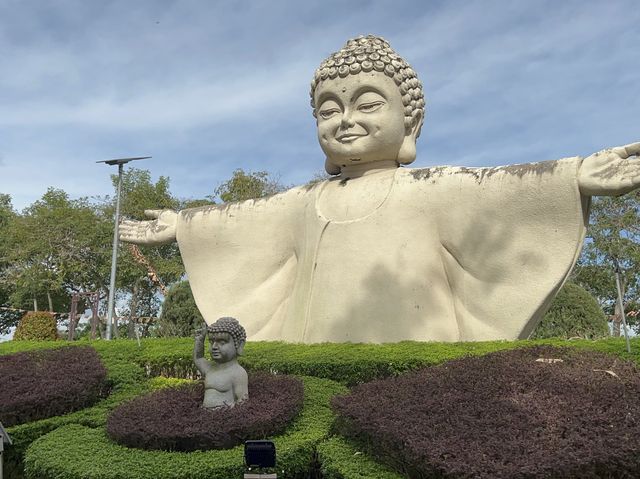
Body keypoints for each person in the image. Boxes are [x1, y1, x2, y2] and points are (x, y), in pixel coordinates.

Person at [121, 35, 640, 344]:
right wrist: (183, 224)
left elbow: (501, 188)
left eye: (367, 105)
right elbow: (243, 218)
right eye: (328, 110)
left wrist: (573, 176)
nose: (344, 121)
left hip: (421, 359)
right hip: (312, 355)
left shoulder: (431, 188)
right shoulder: (304, 201)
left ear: (408, 124)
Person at [193, 317, 248, 408]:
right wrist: (199, 341)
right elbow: (198, 358)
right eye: (211, 342)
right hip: (205, 418)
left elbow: (242, 402)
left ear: (239, 344)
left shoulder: (238, 373)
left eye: (222, 342)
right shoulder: (210, 368)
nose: (214, 346)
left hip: (224, 418)